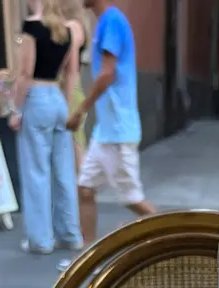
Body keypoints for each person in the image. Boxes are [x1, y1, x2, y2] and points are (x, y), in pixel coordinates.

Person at [64, 0, 155, 250]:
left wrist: (80, 111)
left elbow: (107, 73)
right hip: (106, 132)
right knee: (85, 188)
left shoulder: (112, 21)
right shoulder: (105, 22)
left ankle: (174, 242)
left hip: (118, 131)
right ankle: (87, 254)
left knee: (133, 199)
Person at [10, 0, 84, 255]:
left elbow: (25, 73)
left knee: (36, 172)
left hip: (37, 98)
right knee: (64, 172)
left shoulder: (32, 27)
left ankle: (40, 239)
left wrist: (16, 109)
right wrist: (64, 101)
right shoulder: (69, 30)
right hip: (56, 98)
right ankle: (70, 234)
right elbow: (72, 72)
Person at [60, 0, 90, 171]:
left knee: (75, 146)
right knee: (76, 144)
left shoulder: (72, 26)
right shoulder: (79, 25)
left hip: (70, 90)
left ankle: (82, 192)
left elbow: (68, 66)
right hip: (73, 89)